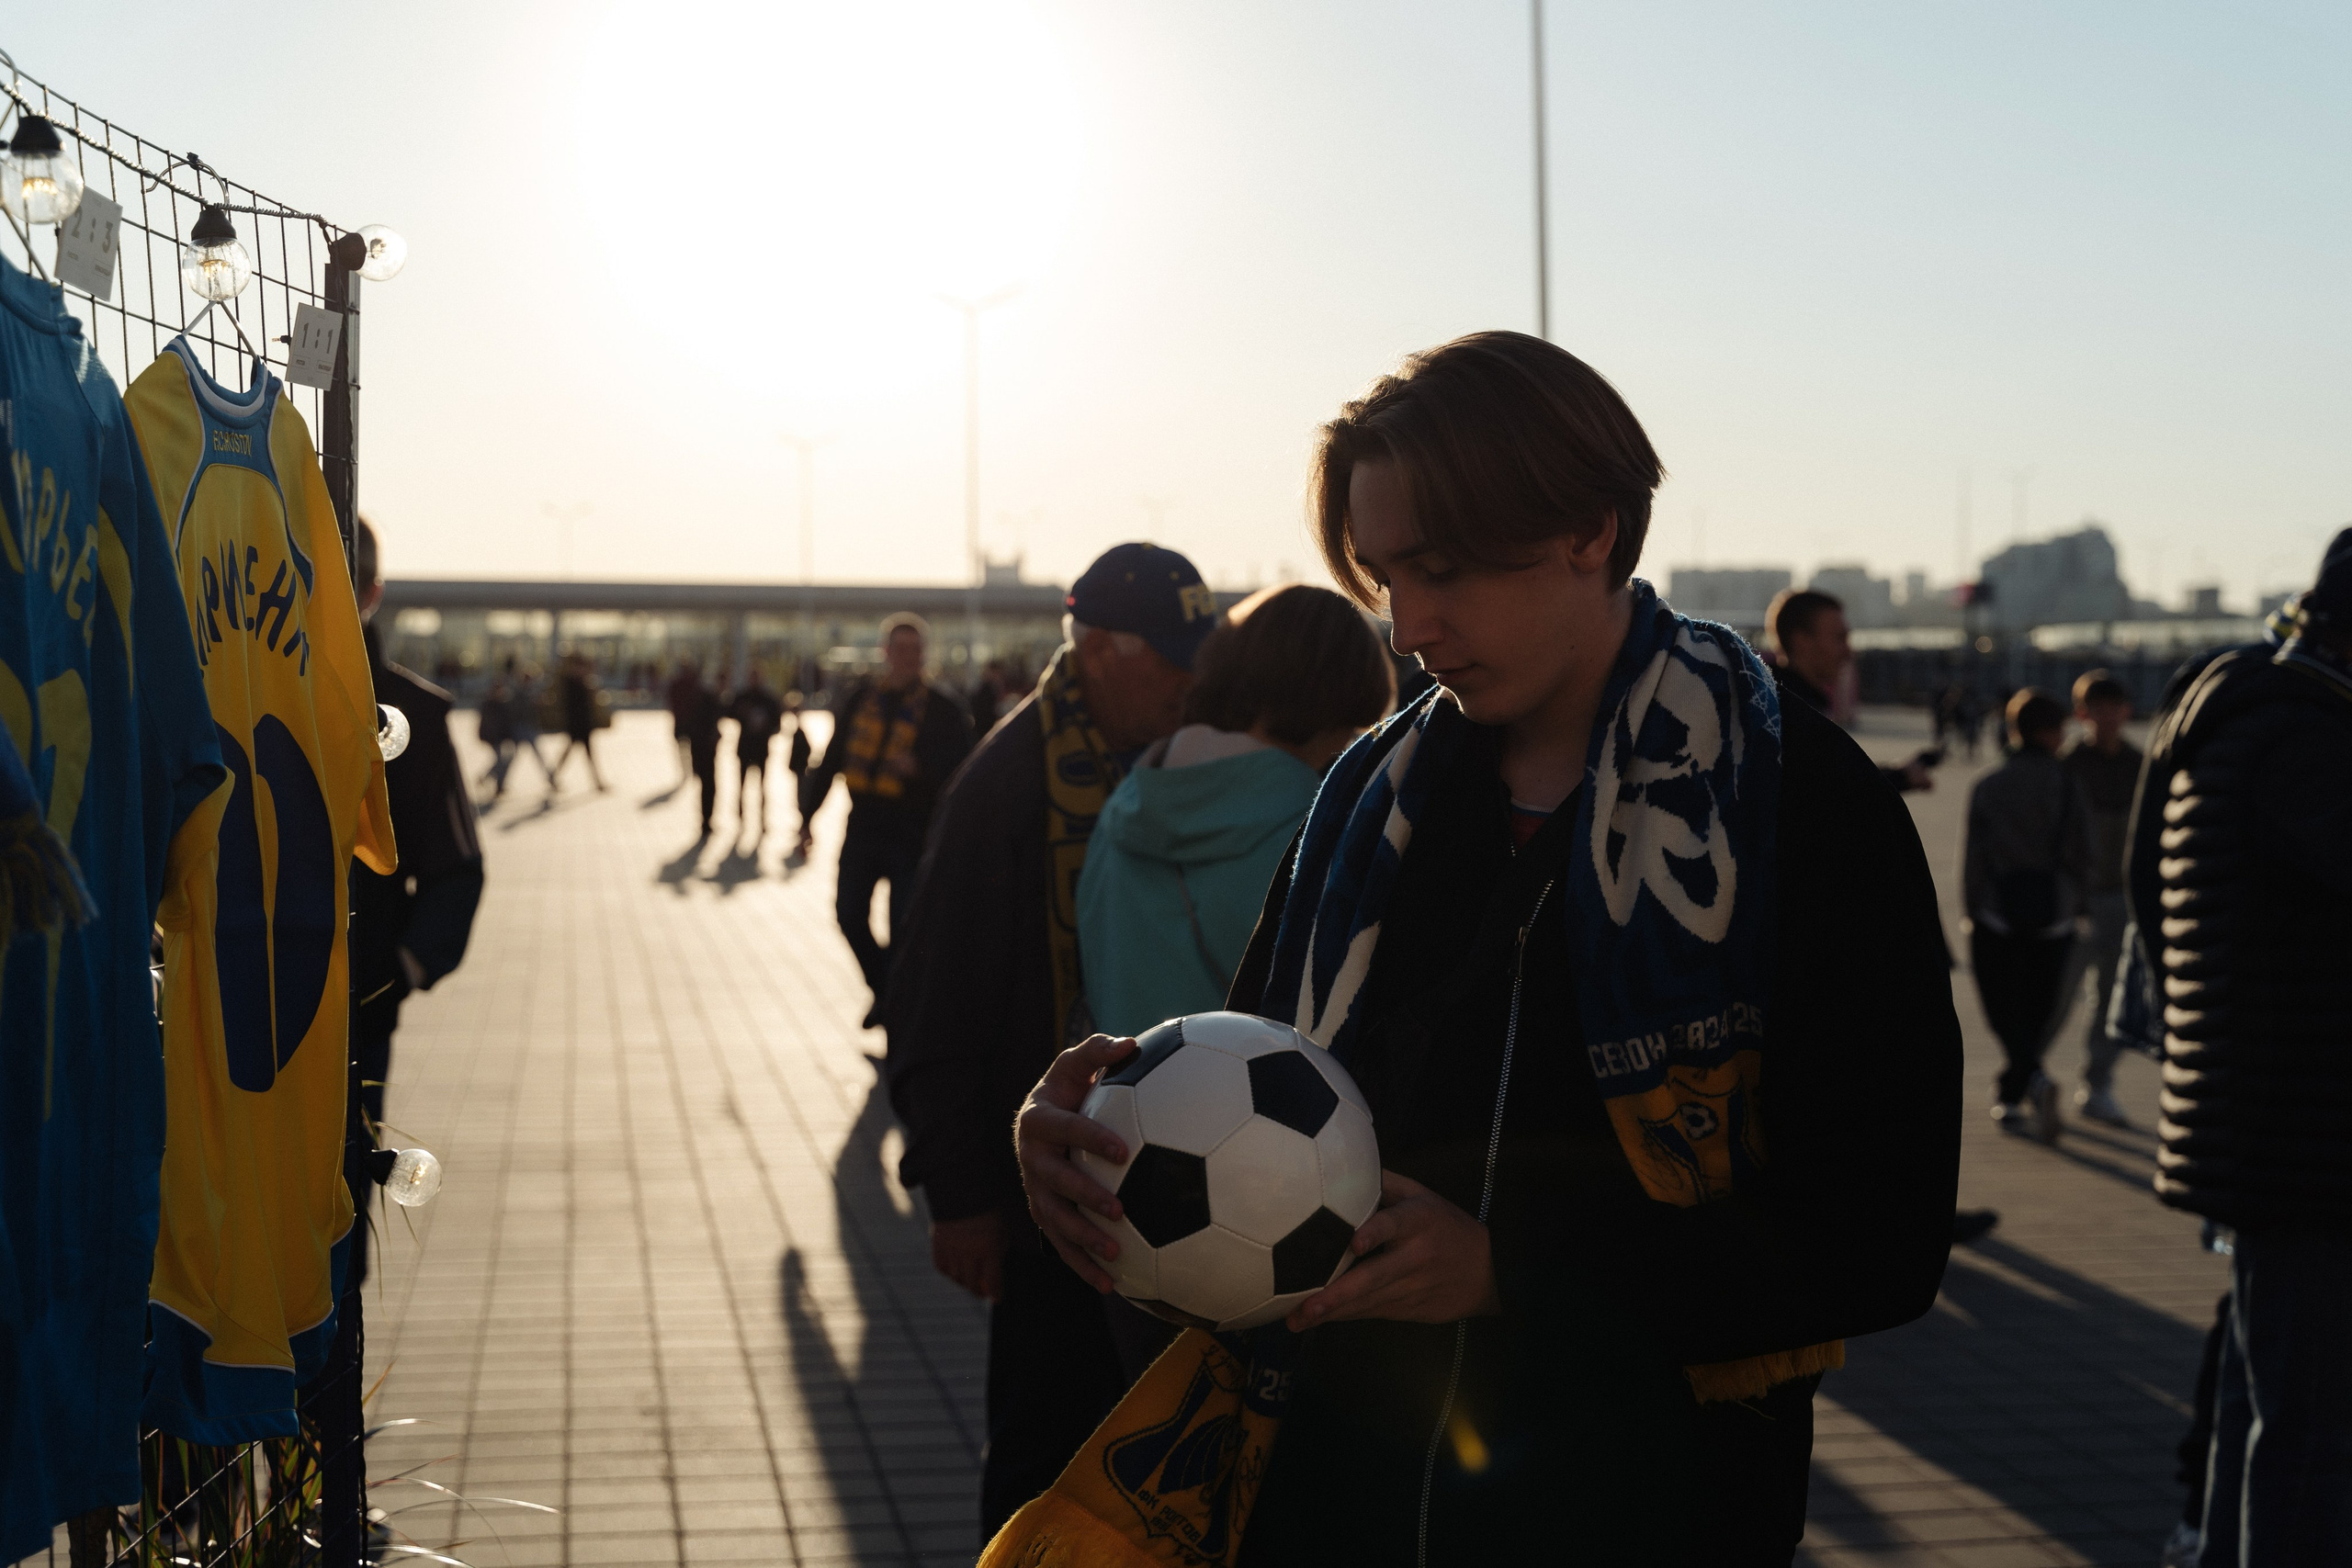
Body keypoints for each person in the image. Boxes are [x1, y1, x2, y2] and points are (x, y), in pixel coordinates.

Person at [1014, 334, 1962, 1564]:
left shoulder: (1791, 803)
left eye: (1445, 570)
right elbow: (1257, 1127)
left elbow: (1880, 1238)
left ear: (1592, 530)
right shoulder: (1372, 799)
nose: (1410, 627)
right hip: (1335, 1496)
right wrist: (1100, 1156)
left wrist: (1515, 1268)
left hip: (1644, 1502)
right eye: (1384, 575)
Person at [886, 545, 1222, 1539]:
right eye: (1171, 655)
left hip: (1128, 1170)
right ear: (1104, 650)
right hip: (1043, 1193)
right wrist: (960, 1198)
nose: (1188, 677)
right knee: (1046, 1446)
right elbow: (934, 1001)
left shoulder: (1144, 756)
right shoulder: (1012, 782)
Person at [2128, 528, 2352, 1567]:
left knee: (2264, 1410)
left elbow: (2144, 893)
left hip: (2263, 1119)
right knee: (2313, 1437)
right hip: (2310, 1134)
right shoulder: (2304, 740)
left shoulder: (2232, 715)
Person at [346, 519, 484, 1289]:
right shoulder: (220, 689)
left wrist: (400, 960)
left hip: (360, 993)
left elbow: (455, 866)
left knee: (338, 1186)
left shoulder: (409, 717)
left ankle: (325, 1390)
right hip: (231, 983)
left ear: (369, 593)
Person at [801, 615, 976, 1027]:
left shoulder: (945, 710)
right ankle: (887, 993)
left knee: (904, 928)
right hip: (863, 826)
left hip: (913, 831)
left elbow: (965, 773)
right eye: (899, 649)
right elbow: (831, 762)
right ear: (885, 653)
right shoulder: (860, 700)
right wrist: (805, 819)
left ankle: (899, 1013)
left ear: (923, 655)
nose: (907, 658)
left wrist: (921, 767)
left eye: (915, 650)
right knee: (848, 914)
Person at [1962, 689, 2091, 1143]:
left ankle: (2022, 1087)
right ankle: (2020, 1090)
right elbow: (2081, 851)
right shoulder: (2067, 783)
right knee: (2037, 1013)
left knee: (2004, 1012)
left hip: (1998, 912)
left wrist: (1972, 910)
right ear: (2052, 732)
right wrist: (2079, 903)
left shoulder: (1989, 785)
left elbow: (1975, 857)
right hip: (2053, 913)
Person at [2050, 670, 2141, 1127]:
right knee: (2056, 998)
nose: (2106, 719)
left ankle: (2098, 1085)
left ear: (2126, 711)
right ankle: (2030, 1075)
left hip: (2125, 903)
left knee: (2114, 1001)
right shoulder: (2065, 768)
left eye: (2114, 708)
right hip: (2074, 904)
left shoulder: (2141, 766)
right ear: (2081, 714)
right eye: (2096, 710)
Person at [1767, 587, 1936, 792]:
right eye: (1839, 638)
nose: (1848, 651)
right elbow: (1830, 794)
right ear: (1801, 641)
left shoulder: (1776, 702)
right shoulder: (1793, 715)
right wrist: (1900, 779)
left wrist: (1900, 775)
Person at [729, 666, 787, 838]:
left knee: (762, 787)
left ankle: (762, 819)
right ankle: (741, 819)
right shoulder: (743, 697)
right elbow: (730, 713)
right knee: (741, 786)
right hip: (745, 748)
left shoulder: (768, 699)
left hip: (761, 748)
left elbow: (778, 724)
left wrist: (765, 726)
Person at [550, 651, 608, 793]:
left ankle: (596, 782)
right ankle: (553, 777)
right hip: (576, 723)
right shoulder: (570, 683)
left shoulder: (583, 682)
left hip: (584, 724)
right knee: (576, 752)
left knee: (586, 753)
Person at [678, 668, 727, 837]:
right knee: (709, 786)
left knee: (708, 786)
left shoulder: (707, 698)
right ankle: (706, 821)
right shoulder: (708, 700)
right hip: (703, 751)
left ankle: (706, 820)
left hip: (703, 750)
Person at [666, 659, 704, 785]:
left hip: (684, 721)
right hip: (688, 721)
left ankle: (687, 769)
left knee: (684, 748)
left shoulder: (679, 684)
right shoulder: (692, 684)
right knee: (689, 748)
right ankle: (689, 769)